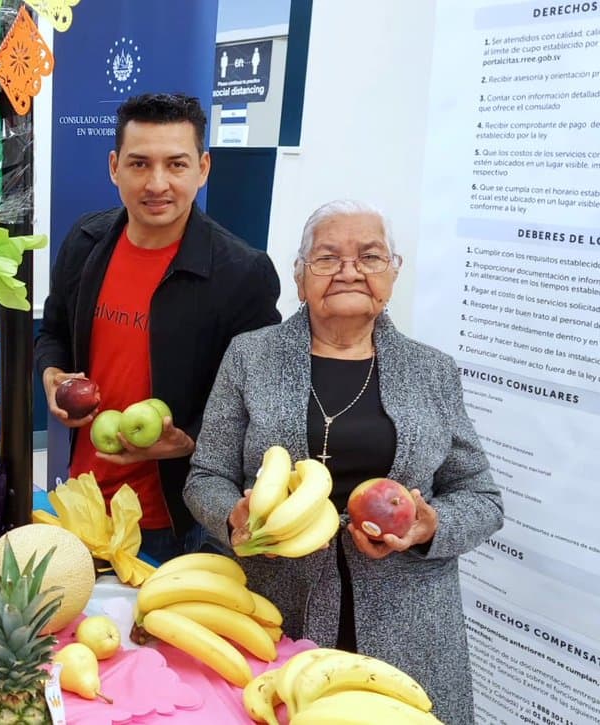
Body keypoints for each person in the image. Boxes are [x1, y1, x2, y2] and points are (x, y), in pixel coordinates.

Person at [184, 200, 503, 724]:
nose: (350, 271)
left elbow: (481, 496)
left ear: (393, 273)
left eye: (370, 256)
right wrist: (232, 517)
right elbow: (207, 476)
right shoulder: (250, 356)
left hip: (410, 623)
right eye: (328, 257)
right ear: (300, 274)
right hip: (277, 605)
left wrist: (429, 527)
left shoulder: (432, 371)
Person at [36, 93, 281, 564]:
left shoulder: (240, 273)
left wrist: (186, 439)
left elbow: (260, 402)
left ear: (203, 168)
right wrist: (52, 373)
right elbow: (54, 332)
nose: (157, 183)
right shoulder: (87, 243)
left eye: (177, 164)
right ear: (114, 167)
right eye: (139, 163)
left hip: (171, 521)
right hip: (82, 498)